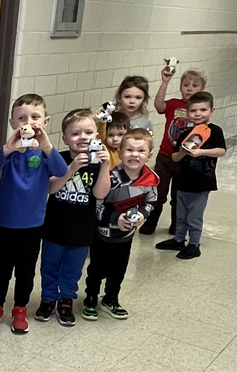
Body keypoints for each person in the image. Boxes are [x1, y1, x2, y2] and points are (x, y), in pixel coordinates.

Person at [0, 94, 69, 334]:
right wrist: (8, 148)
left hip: (33, 224)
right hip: (4, 222)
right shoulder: (8, 154)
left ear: (45, 121)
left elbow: (61, 171)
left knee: (25, 272)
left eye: (35, 117)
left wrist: (46, 144)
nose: (28, 122)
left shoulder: (43, 153)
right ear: (12, 123)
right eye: (21, 118)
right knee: (0, 270)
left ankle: (20, 309)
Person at [37, 109, 111, 326]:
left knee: (72, 267)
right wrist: (70, 169)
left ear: (97, 136)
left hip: (82, 229)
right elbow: (51, 188)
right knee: (49, 265)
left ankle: (66, 299)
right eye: (75, 133)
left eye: (88, 132)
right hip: (54, 226)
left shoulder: (98, 162)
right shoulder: (57, 158)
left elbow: (100, 194)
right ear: (65, 138)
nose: (82, 137)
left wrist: (106, 166)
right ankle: (48, 298)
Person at [82, 129, 158, 321]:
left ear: (149, 156)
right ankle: (90, 298)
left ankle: (111, 298)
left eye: (141, 151)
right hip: (102, 234)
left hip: (126, 237)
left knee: (119, 269)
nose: (134, 155)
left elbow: (151, 202)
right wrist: (116, 219)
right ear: (120, 153)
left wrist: (142, 214)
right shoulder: (111, 178)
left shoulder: (151, 180)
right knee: (97, 268)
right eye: (129, 150)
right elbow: (98, 204)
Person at [155, 91, 226, 259]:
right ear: (188, 113)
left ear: (211, 111)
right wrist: (184, 153)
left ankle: (194, 244)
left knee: (194, 217)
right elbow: (175, 156)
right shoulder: (185, 133)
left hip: (202, 183)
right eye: (194, 111)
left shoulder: (215, 131)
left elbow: (221, 151)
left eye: (203, 110)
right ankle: (179, 240)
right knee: (181, 215)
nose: (198, 114)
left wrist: (201, 151)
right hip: (183, 181)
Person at [141, 67, 208, 235]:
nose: (189, 88)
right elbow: (159, 105)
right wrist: (165, 82)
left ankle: (176, 223)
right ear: (180, 86)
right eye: (186, 84)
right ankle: (152, 221)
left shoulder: (200, 112)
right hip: (165, 157)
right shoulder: (173, 104)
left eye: (194, 86)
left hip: (186, 160)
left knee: (179, 195)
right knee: (158, 191)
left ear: (201, 90)